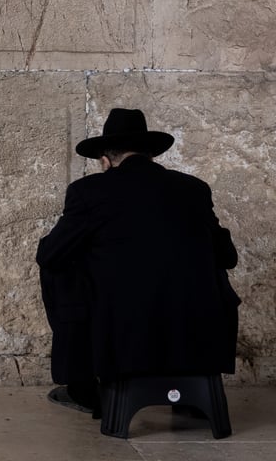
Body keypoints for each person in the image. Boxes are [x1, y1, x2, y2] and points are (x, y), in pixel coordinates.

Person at [37, 108, 240, 414]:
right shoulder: (194, 190)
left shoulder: (88, 191)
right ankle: (192, 392)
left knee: (61, 267)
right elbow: (229, 256)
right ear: (151, 156)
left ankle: (84, 385)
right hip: (196, 328)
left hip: (122, 330)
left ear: (105, 160)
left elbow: (50, 255)